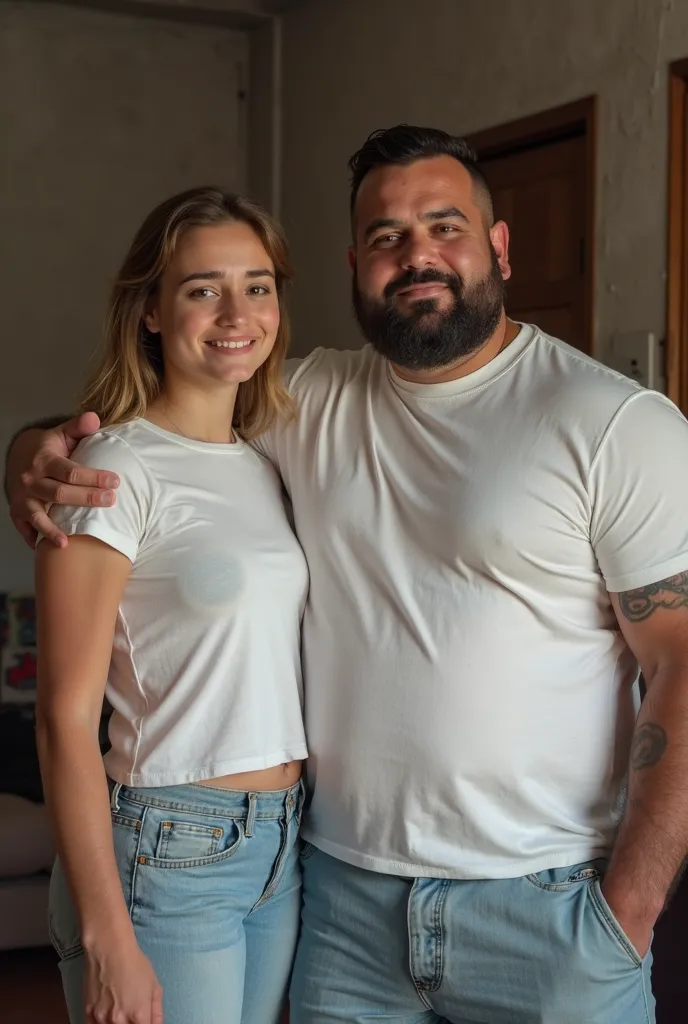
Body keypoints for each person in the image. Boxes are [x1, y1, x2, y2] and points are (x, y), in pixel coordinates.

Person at [8, 125, 688, 1024]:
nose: (416, 257)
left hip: (544, 909)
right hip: (342, 901)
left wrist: (628, 912)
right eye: (385, 238)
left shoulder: (614, 422)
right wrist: (30, 451)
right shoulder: (306, 402)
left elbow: (679, 660)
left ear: (500, 246)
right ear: (354, 264)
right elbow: (161, 434)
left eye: (445, 226)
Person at [23, 187, 309, 1024]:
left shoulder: (265, 462)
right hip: (167, 845)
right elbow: (62, 720)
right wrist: (108, 934)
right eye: (202, 289)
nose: (237, 312)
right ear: (150, 309)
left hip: (279, 841)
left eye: (258, 285)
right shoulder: (115, 468)